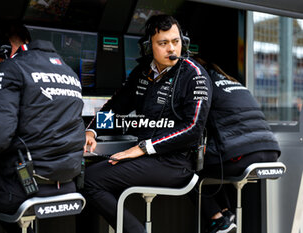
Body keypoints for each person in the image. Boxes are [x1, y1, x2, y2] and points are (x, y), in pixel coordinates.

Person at [81, 15, 212, 233]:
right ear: (148, 46)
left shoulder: (195, 75)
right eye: (163, 43)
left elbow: (193, 128)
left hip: (175, 162)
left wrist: (142, 147)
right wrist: (92, 130)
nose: (171, 49)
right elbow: (116, 106)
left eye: (176, 41)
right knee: (90, 174)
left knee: (91, 180)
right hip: (151, 159)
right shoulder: (143, 72)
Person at [0, 23, 85, 233]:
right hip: (67, 184)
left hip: (27, 186)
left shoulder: (12, 68)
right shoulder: (69, 72)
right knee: (7, 205)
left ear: (1, 48)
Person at [193, 57, 281, 233]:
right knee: (211, 164)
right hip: (271, 152)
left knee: (185, 170)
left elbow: (193, 123)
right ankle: (226, 214)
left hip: (244, 155)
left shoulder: (202, 84)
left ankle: (218, 220)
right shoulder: (233, 82)